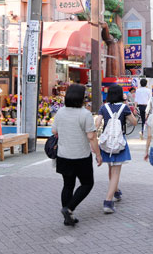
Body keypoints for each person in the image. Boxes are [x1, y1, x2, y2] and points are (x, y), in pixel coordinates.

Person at [52, 84, 102, 226]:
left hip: (63, 155)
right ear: (81, 98)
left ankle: (67, 217)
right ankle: (69, 209)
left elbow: (54, 131)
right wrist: (98, 155)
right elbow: (92, 137)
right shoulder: (84, 114)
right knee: (87, 183)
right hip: (81, 156)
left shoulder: (60, 112)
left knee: (68, 185)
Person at [95, 84, 137, 214]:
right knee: (116, 171)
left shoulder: (104, 107)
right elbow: (134, 122)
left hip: (107, 142)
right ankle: (108, 201)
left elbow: (97, 124)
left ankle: (116, 191)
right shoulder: (124, 108)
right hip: (119, 142)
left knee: (110, 168)